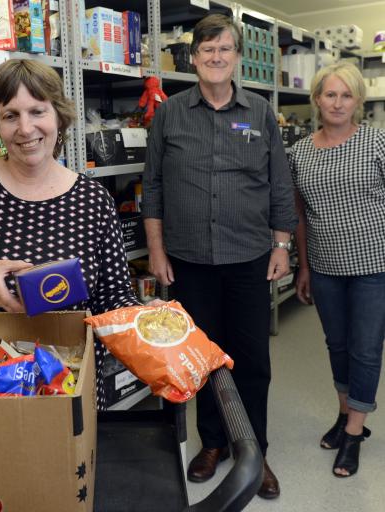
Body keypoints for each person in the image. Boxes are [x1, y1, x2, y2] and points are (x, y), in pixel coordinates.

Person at [0, 59, 139, 410]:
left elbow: (113, 297)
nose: (26, 128)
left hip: (68, 384)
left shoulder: (93, 199)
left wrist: (150, 321)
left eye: (37, 111)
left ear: (59, 117)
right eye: (11, 115)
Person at [142, 14, 297, 499]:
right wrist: (156, 249)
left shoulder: (259, 113)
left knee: (251, 360)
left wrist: (282, 246)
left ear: (237, 57)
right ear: (192, 58)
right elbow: (153, 185)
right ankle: (213, 442)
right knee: (201, 358)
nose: (215, 57)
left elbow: (278, 184)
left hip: (250, 255)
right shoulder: (170, 113)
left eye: (224, 49)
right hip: (189, 259)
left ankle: (256, 452)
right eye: (207, 50)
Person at [289, 61, 385, 477]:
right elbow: (300, 217)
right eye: (330, 94)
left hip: (374, 266)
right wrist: (304, 268)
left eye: (347, 95)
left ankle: (353, 432)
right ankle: (346, 414)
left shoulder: (378, 142)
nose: (338, 102)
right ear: (316, 99)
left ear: (358, 101)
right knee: (338, 346)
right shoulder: (299, 153)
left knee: (365, 350)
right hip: (326, 267)